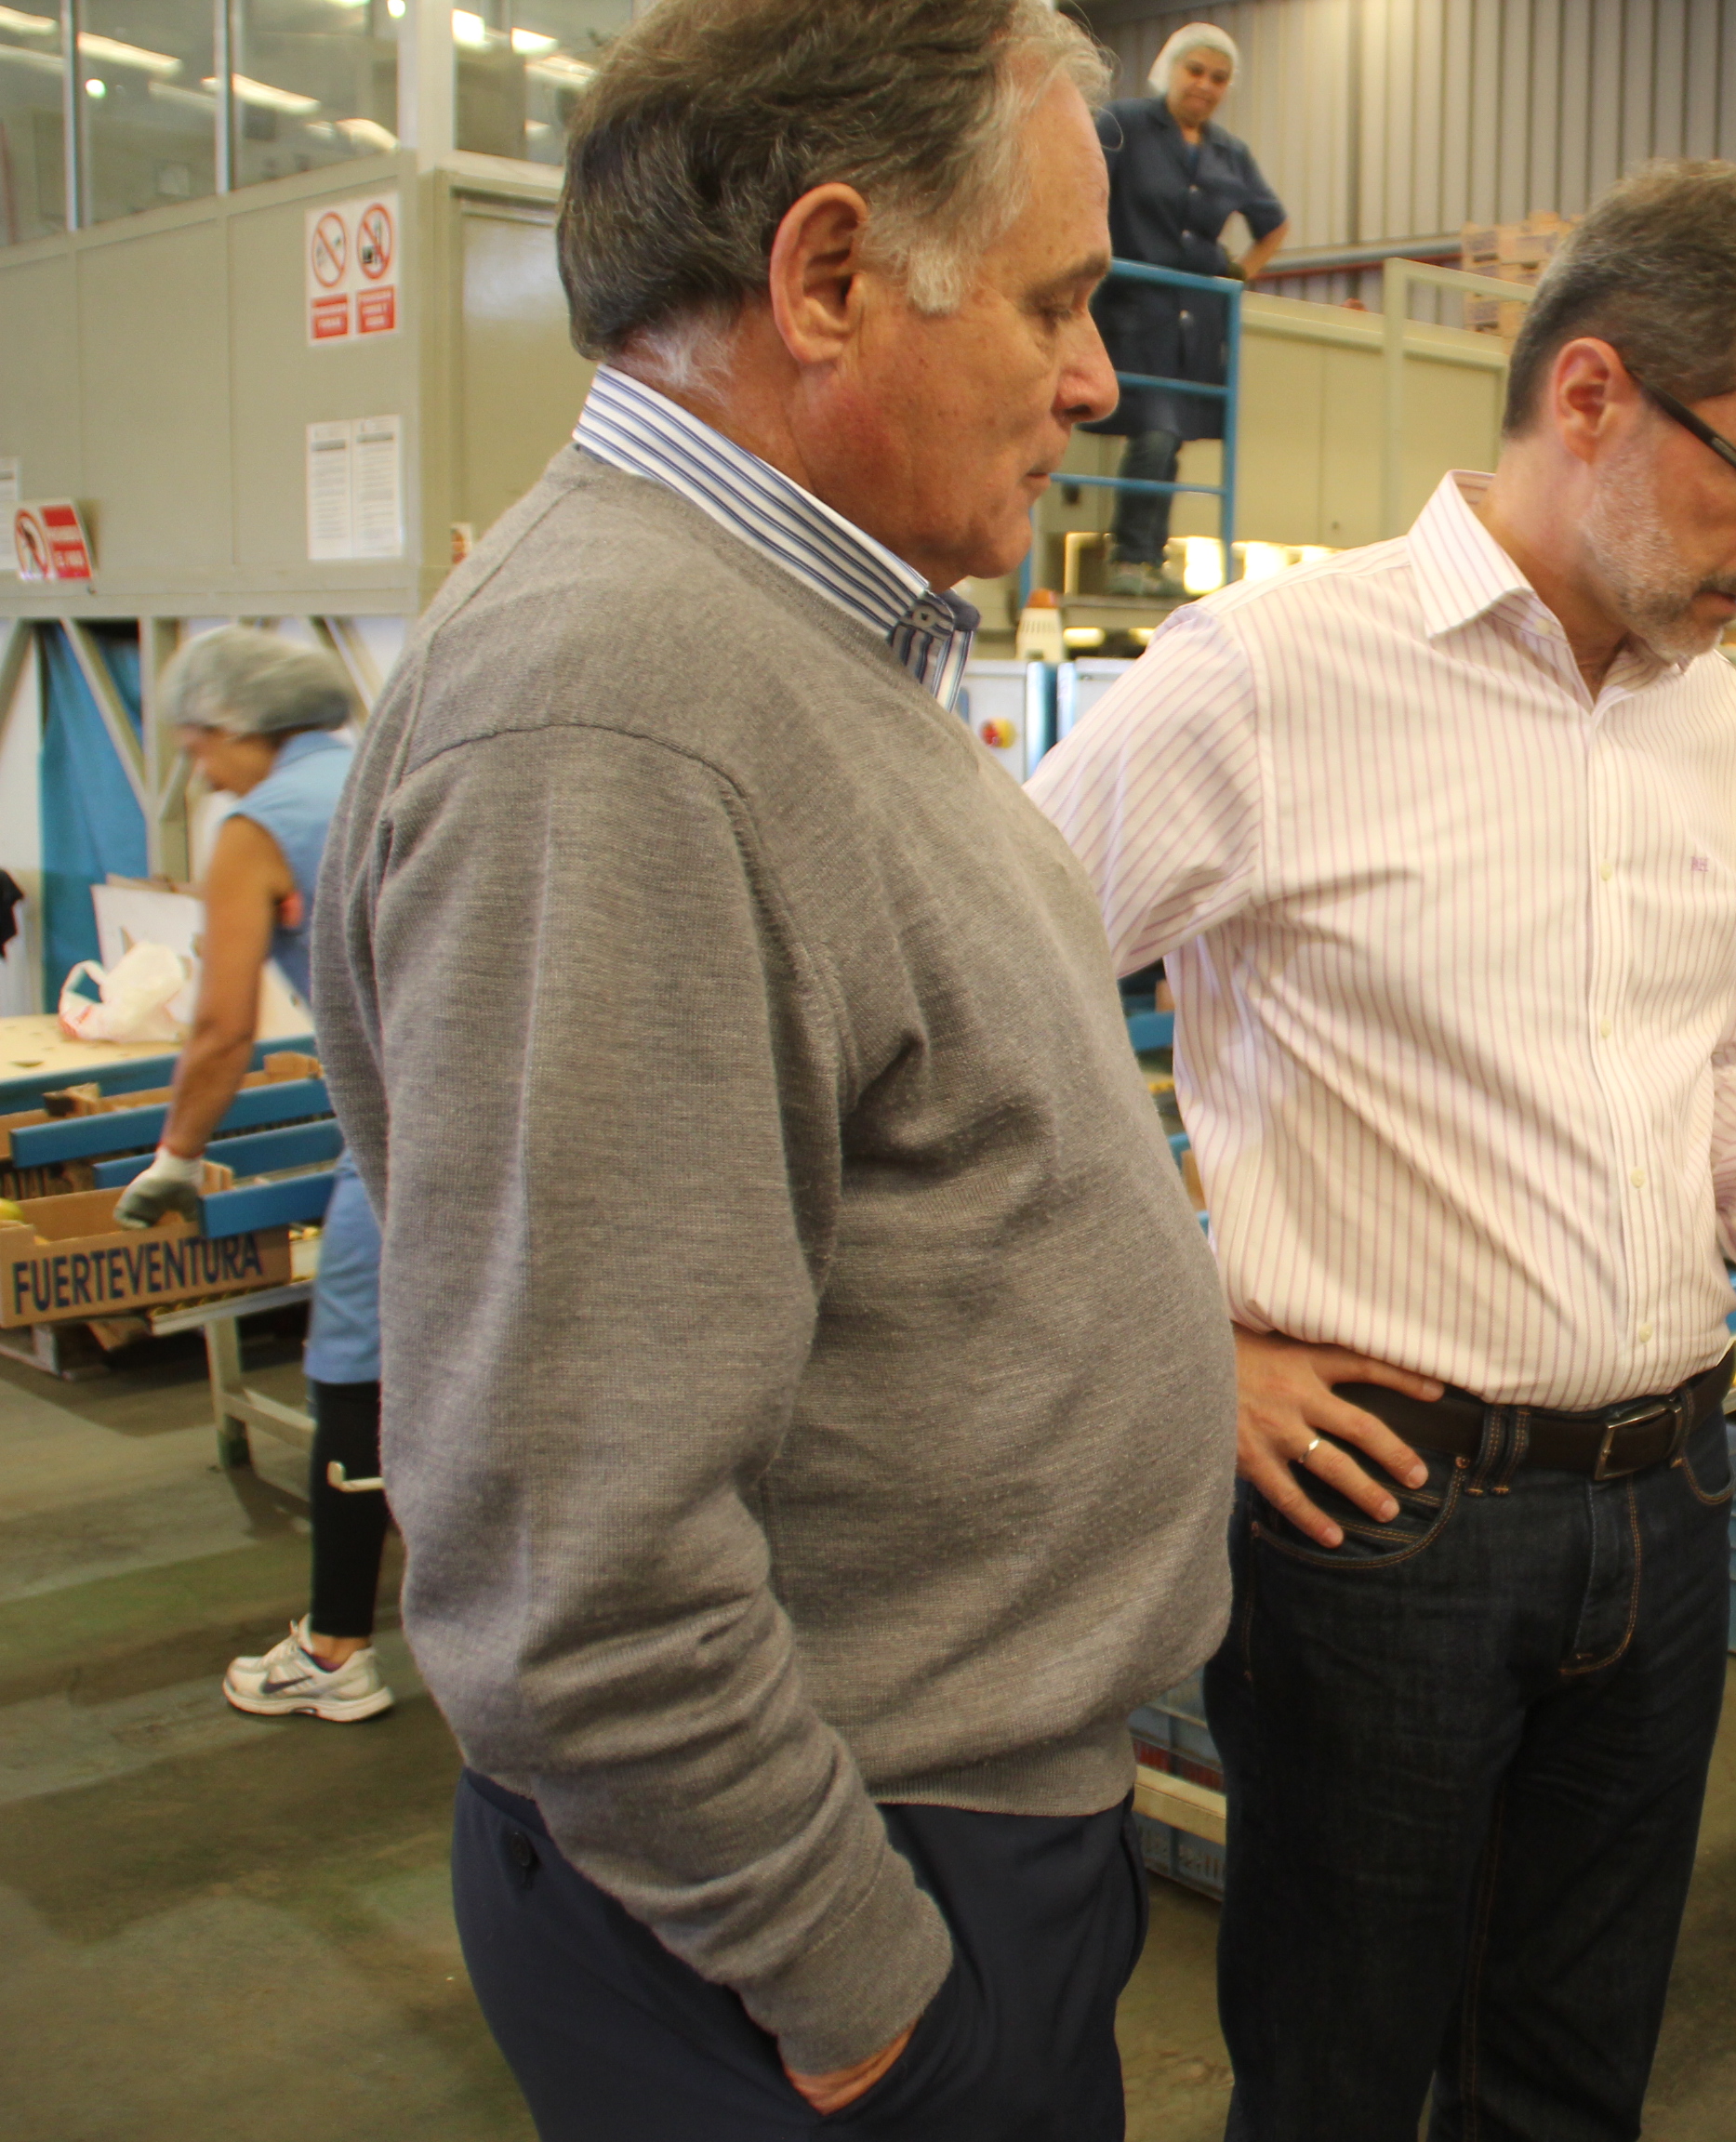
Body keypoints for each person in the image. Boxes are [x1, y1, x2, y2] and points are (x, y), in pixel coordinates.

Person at [1031, 158, 1736, 2142]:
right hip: (1383, 1523)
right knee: (1342, 2077)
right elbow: (982, 1026)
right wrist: (1191, 1337)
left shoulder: (1716, 730)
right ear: (1591, 394)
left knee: (1572, 2081)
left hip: (1670, 1492)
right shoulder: (1269, 680)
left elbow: (1707, 1088)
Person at [310, 3, 1235, 2135]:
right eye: (1056, 304)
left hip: (935, 1823)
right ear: (826, 278)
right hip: (820, 1903)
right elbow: (578, 1558)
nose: (1098, 382)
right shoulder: (617, 714)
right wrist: (862, 1993)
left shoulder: (794, 645)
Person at [109, 630, 389, 1725]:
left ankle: (335, 1650)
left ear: (238, 727)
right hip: (520, 1119)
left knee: (353, 1369)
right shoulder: (388, 766)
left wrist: (176, 1158)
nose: (200, 769)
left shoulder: (256, 829)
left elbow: (220, 1027)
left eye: (200, 744)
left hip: (402, 1131)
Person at [1088, 21, 1285, 597]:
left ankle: (1150, 559)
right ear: (1169, 69)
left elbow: (1273, 224)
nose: (1205, 84)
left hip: (1196, 317)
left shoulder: (1230, 153)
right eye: (1195, 70)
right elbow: (1086, 189)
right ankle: (1129, 557)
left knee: (1171, 438)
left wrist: (1238, 274)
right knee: (1155, 429)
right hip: (1134, 305)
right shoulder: (1123, 125)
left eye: (1219, 78)